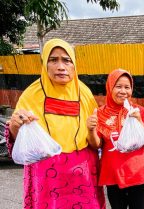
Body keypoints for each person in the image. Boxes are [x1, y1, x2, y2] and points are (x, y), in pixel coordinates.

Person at [5, 38, 106, 209]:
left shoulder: (85, 94)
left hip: (82, 175)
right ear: (44, 64)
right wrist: (15, 126)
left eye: (66, 60)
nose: (61, 66)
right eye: (53, 60)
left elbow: (96, 138)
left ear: (74, 65)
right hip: (46, 176)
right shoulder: (31, 95)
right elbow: (19, 142)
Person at [86, 69, 144, 209]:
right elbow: (96, 145)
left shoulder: (139, 111)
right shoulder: (100, 113)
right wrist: (91, 130)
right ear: (110, 87)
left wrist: (140, 121)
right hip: (113, 174)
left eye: (127, 87)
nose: (123, 91)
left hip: (137, 173)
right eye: (118, 86)